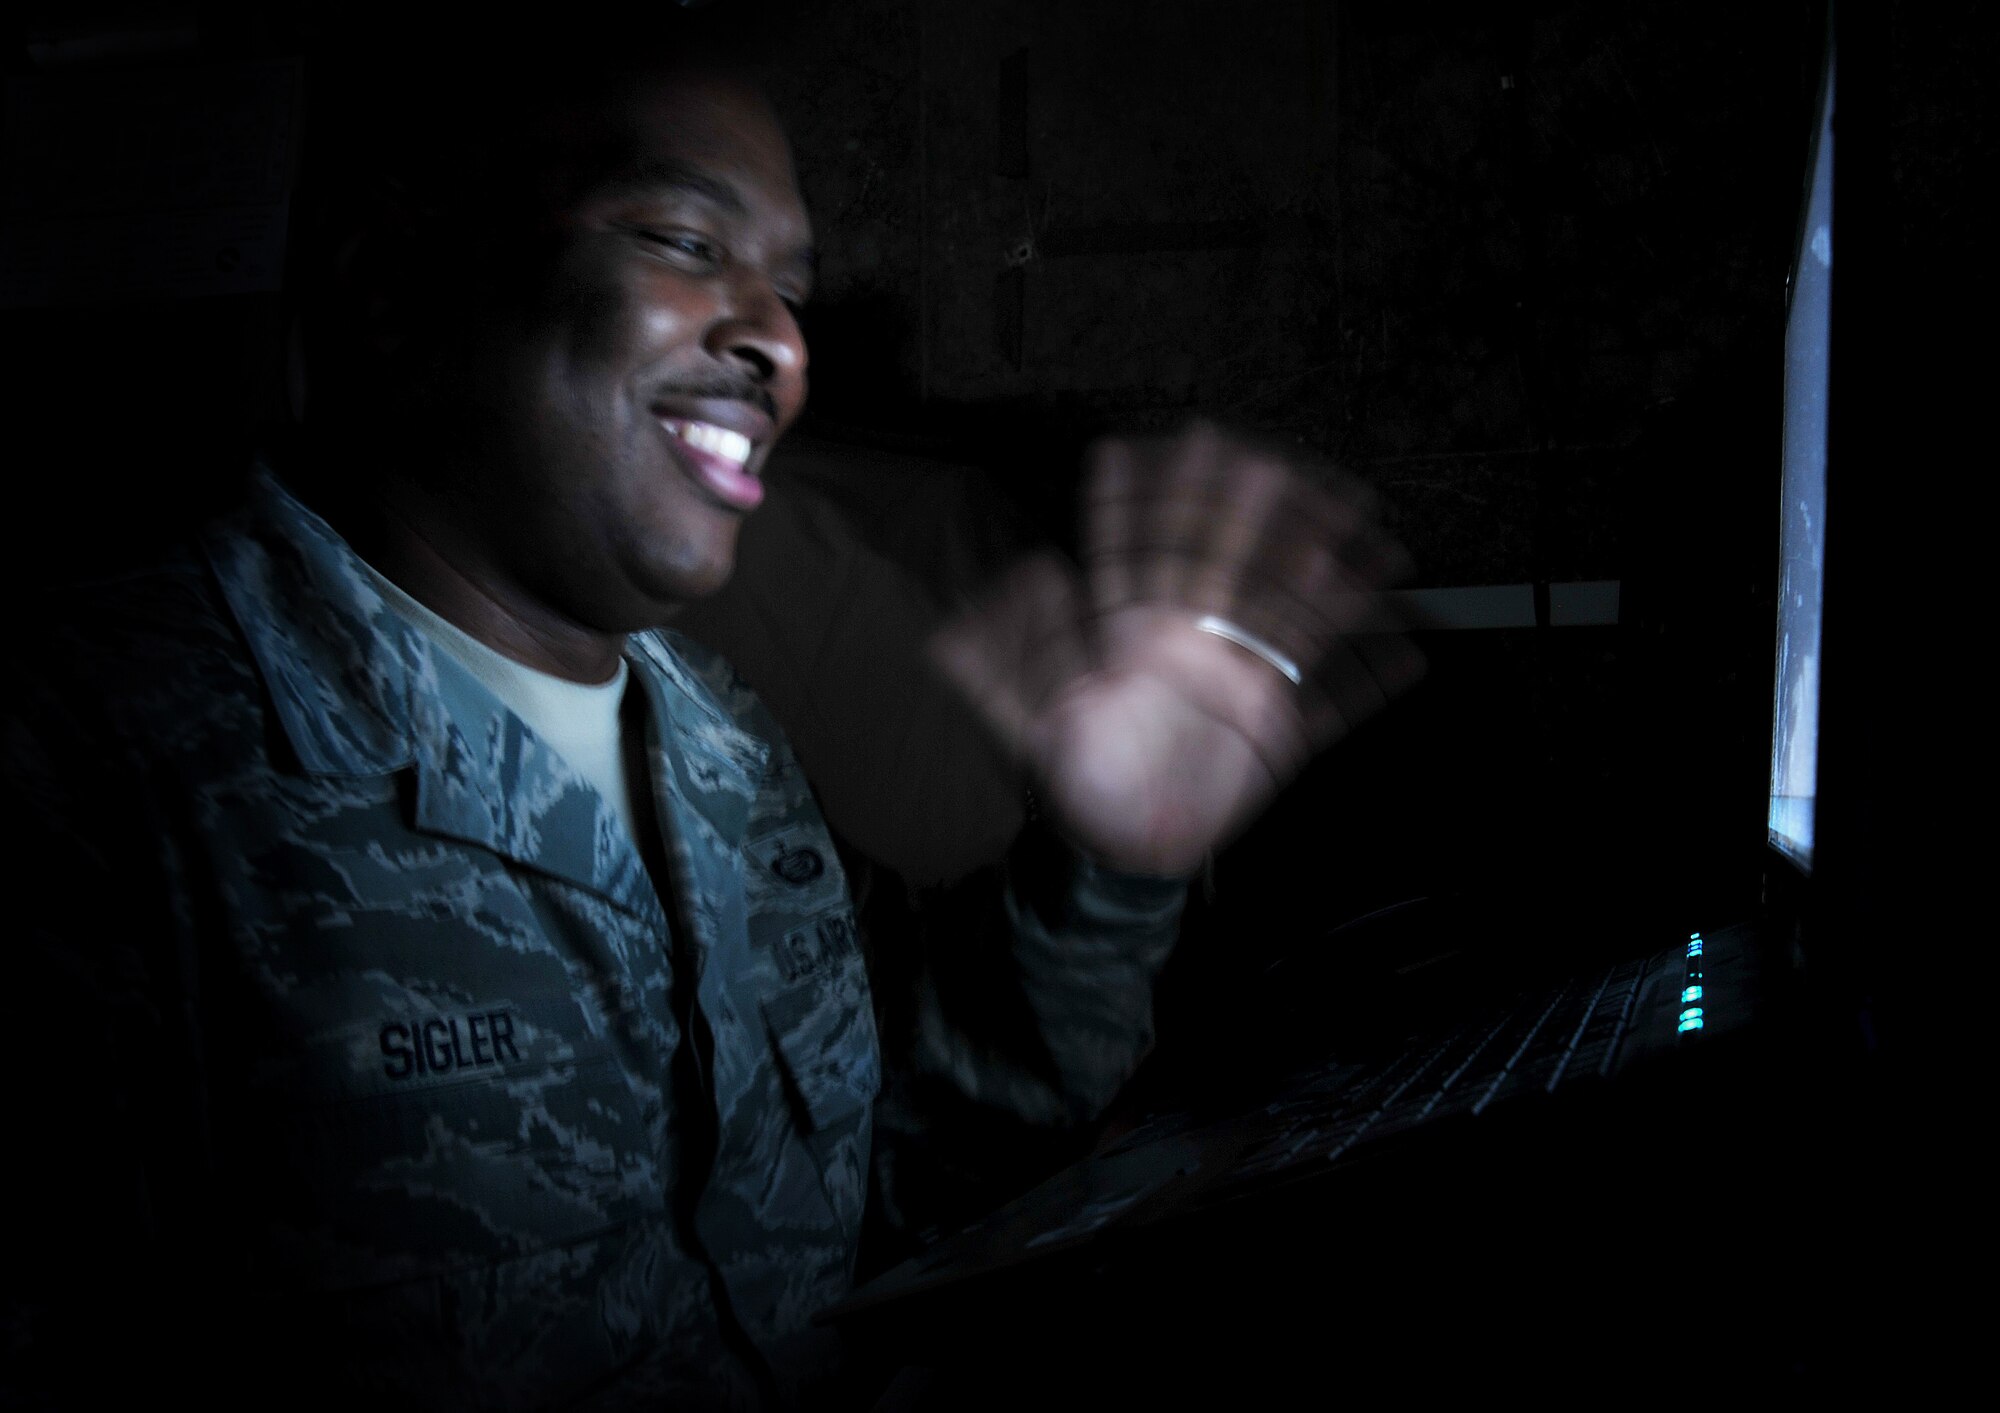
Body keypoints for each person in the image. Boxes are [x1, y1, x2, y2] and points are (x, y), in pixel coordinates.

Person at [1, 21, 1416, 1410]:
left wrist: (1108, 862)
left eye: (790, 286)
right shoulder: (102, 757)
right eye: (683, 241)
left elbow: (905, 1150)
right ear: (395, 288)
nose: (780, 346)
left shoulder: (719, 743)